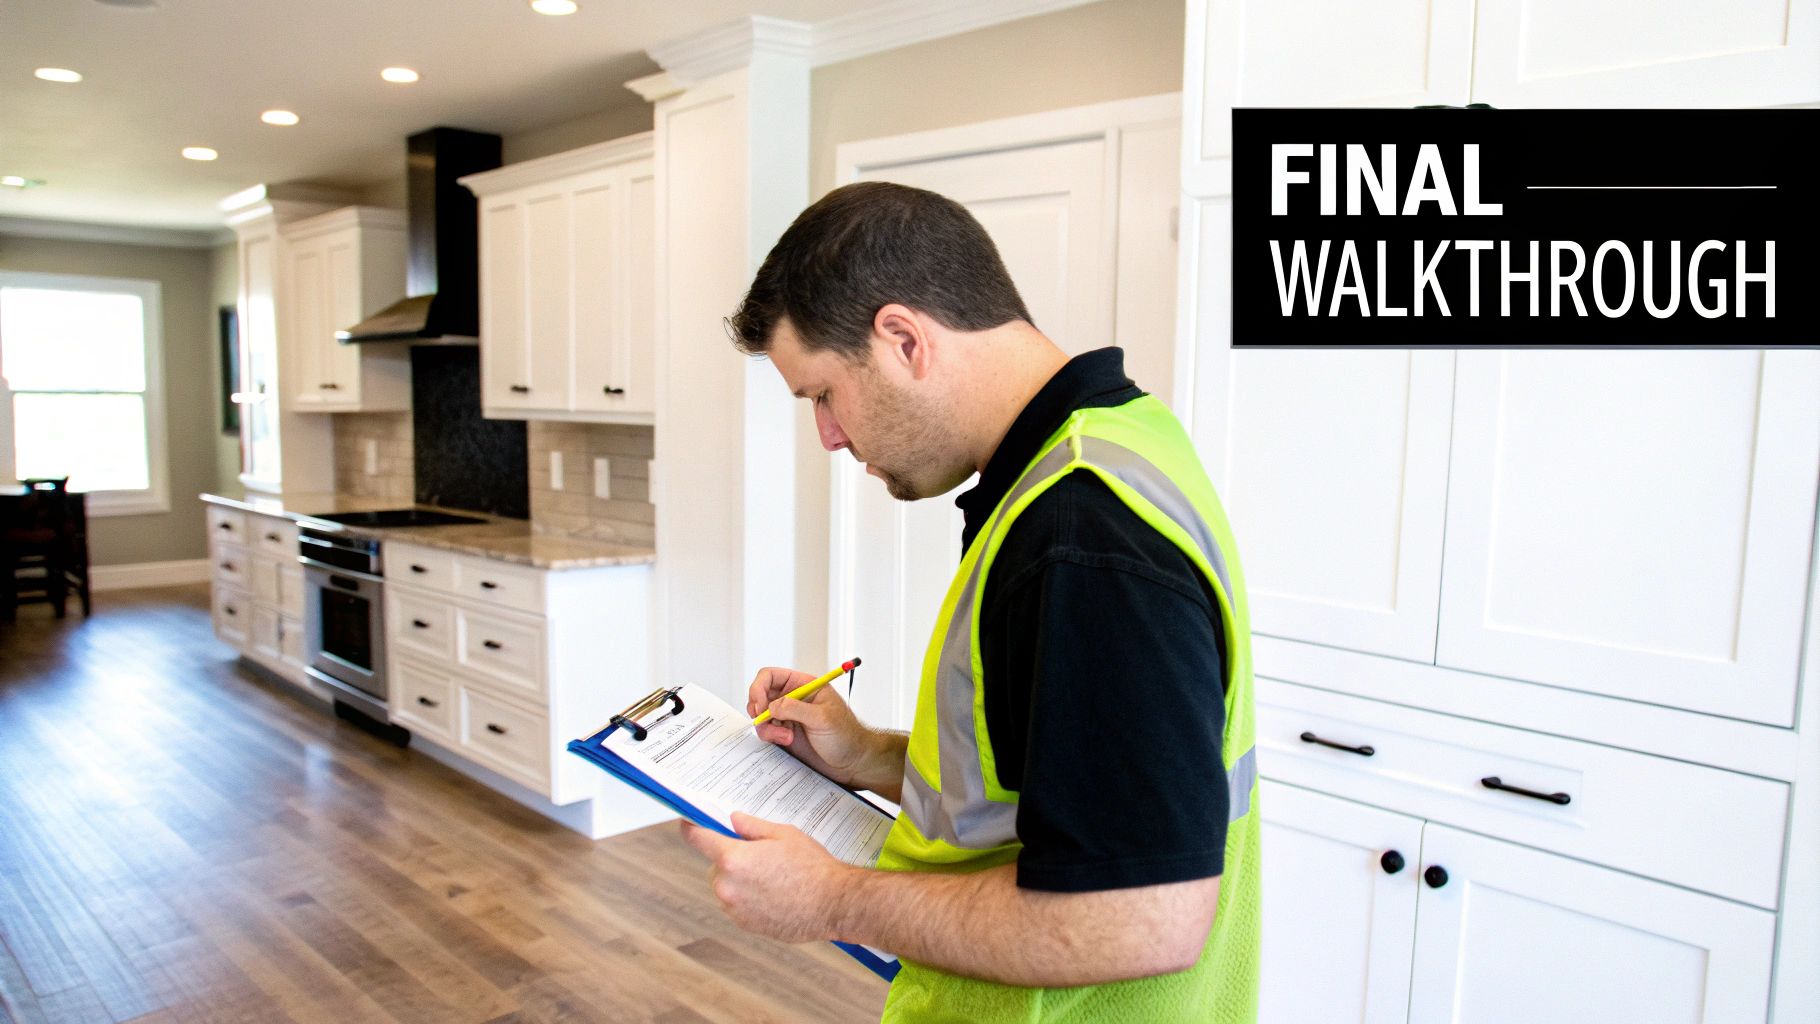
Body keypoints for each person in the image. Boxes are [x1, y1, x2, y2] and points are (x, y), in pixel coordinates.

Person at [681, 180, 1260, 1023]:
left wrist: (833, 899)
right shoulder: (1120, 439)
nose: (829, 437)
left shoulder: (1081, 533)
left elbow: (1144, 920)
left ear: (904, 339)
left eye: (822, 395)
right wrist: (870, 756)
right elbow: (1070, 776)